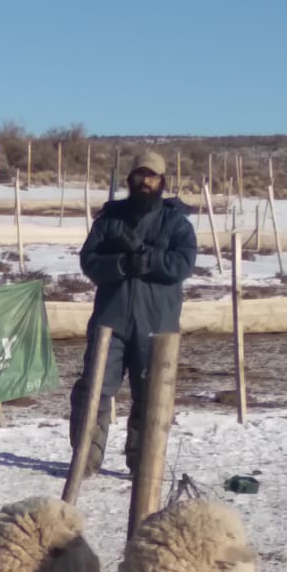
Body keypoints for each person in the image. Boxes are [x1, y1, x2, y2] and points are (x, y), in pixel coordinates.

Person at [70, 150, 197, 476]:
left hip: (156, 326)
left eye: (152, 176)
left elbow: (183, 264)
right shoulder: (109, 220)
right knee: (93, 390)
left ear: (162, 181)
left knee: (151, 395)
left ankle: (144, 463)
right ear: (130, 178)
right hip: (110, 322)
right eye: (140, 174)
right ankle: (85, 458)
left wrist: (149, 259)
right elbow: (90, 261)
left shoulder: (177, 223)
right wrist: (121, 264)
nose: (145, 181)